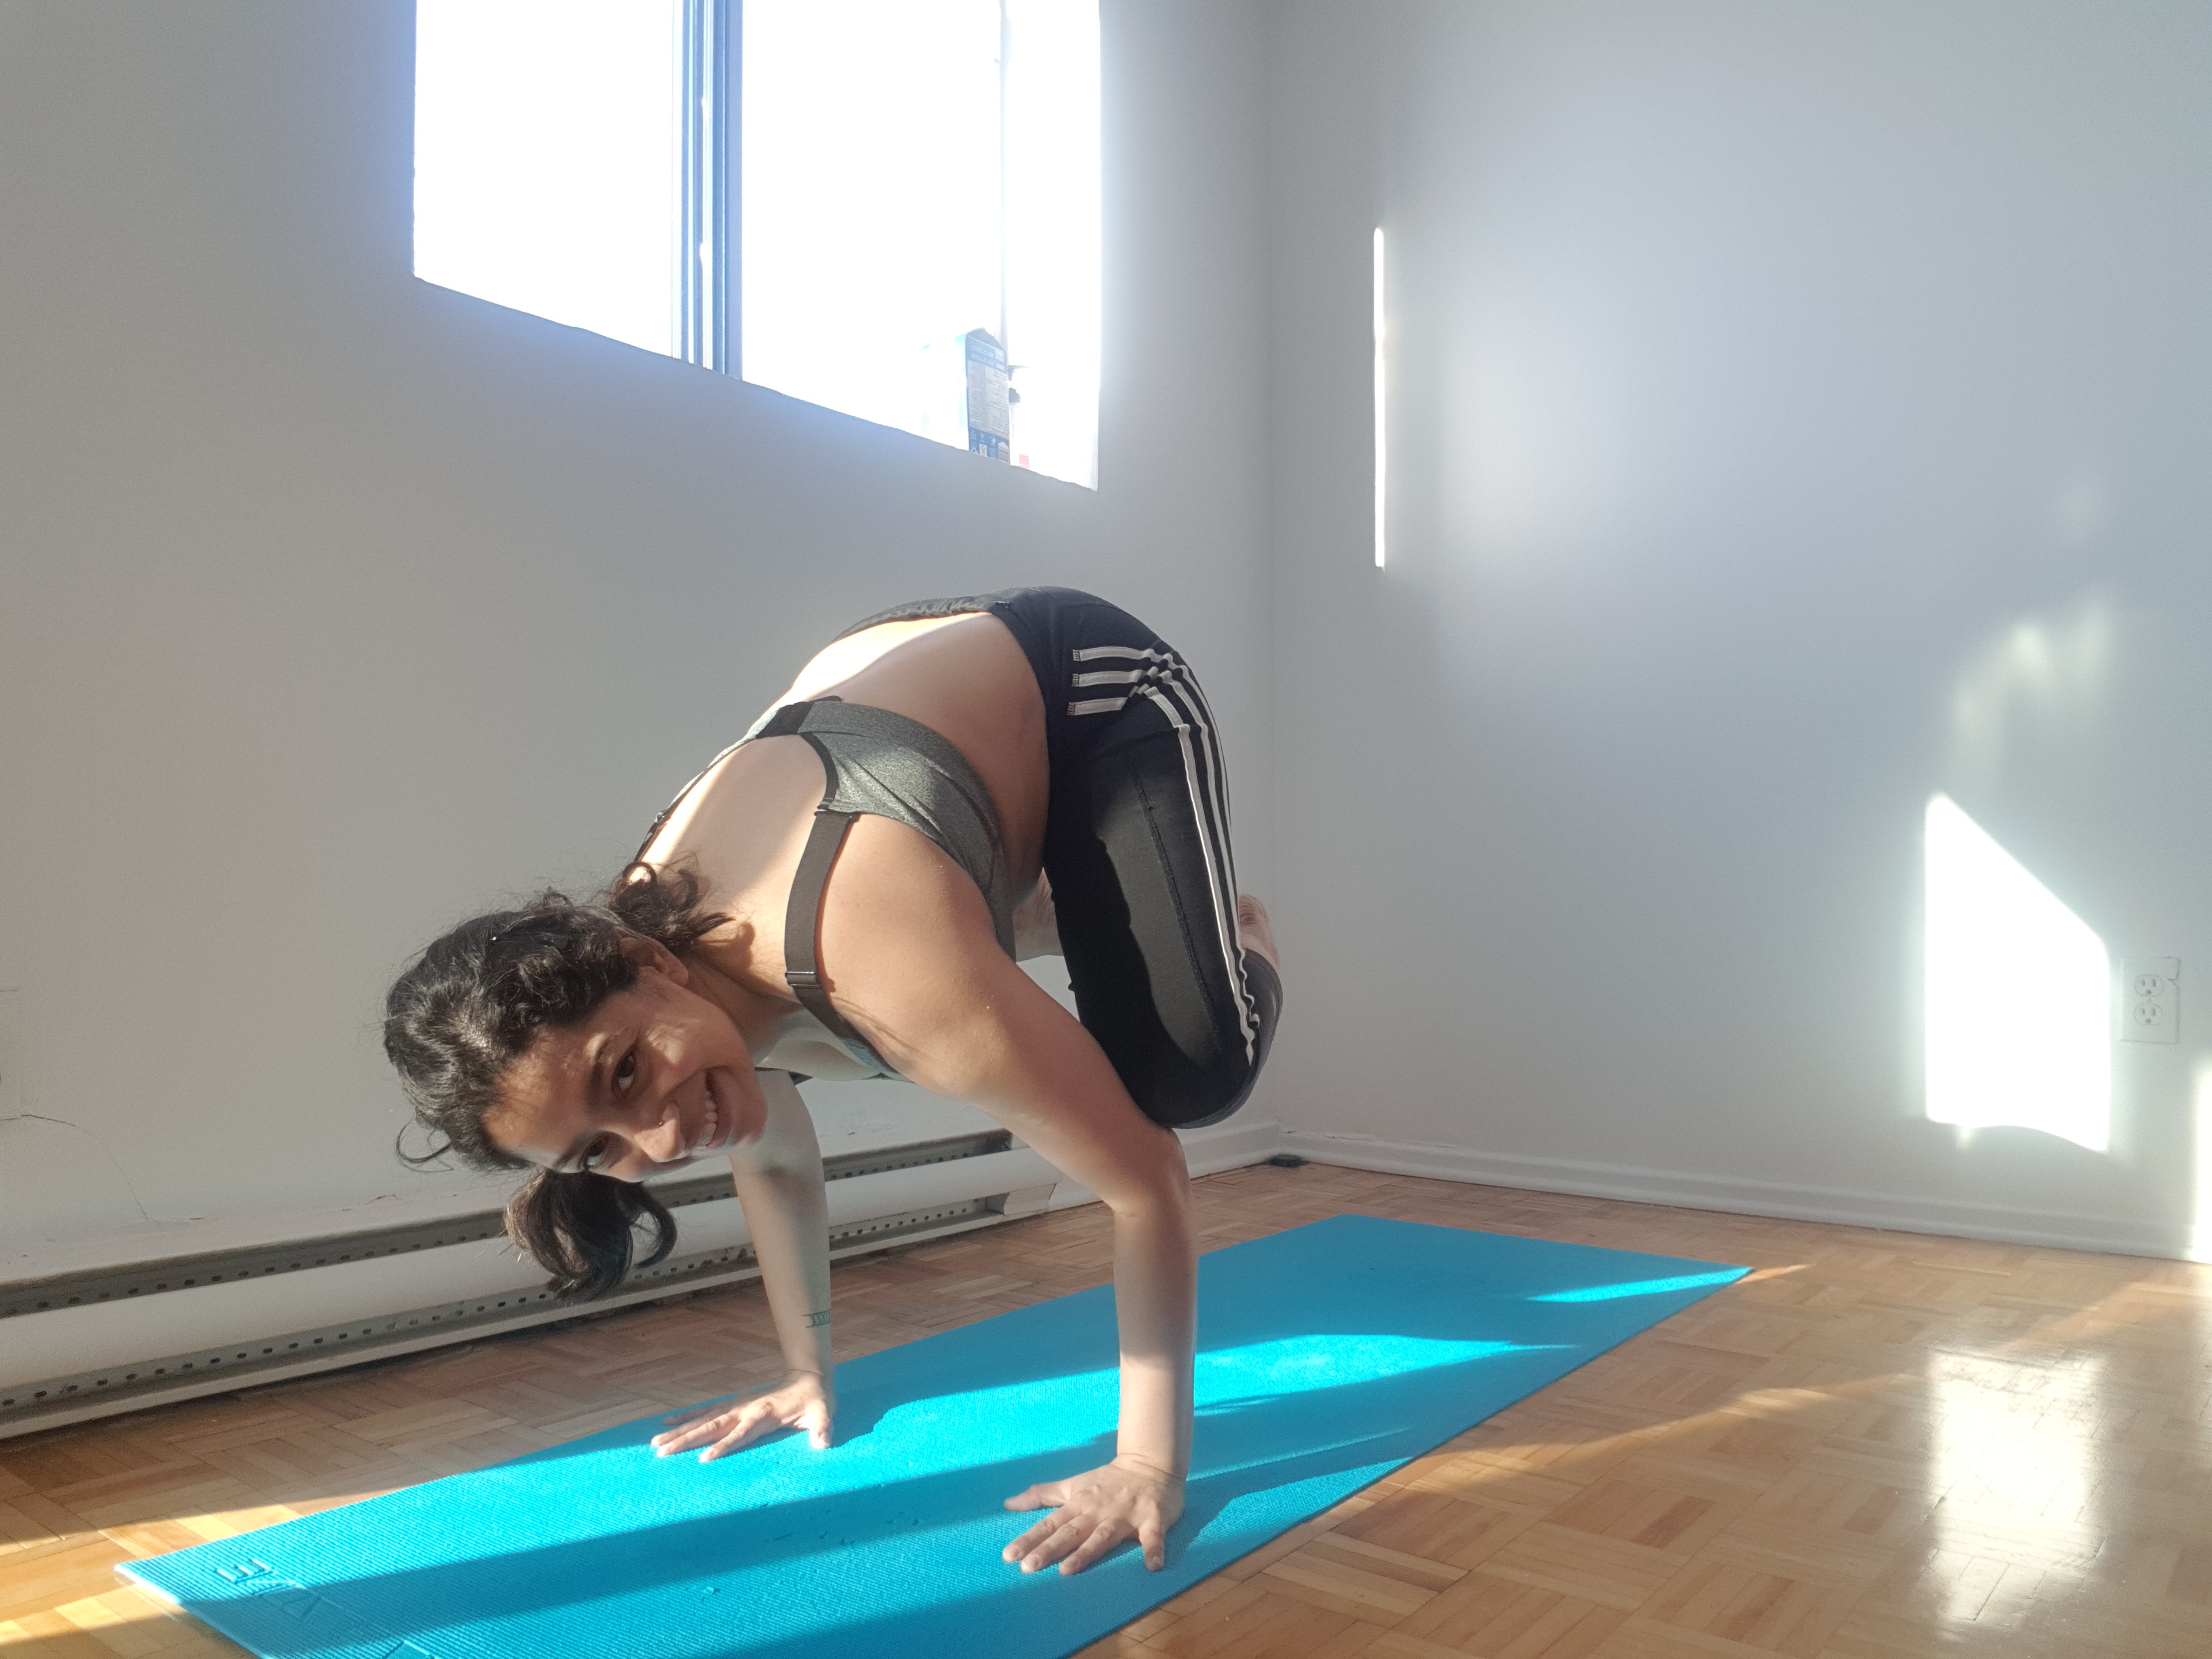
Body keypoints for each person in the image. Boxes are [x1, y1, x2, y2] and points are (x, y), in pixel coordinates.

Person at [382, 587, 1281, 1577]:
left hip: (1085, 683)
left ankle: (1227, 940)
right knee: (928, 965)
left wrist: (1148, 1462)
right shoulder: (680, 1001)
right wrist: (806, 1373)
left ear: (655, 960)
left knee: (1183, 1085)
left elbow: (1145, 1180)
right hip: (903, 736)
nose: (664, 1139)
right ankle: (1032, 913)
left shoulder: (877, 960)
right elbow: (773, 1164)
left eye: (626, 1073)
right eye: (600, 1148)